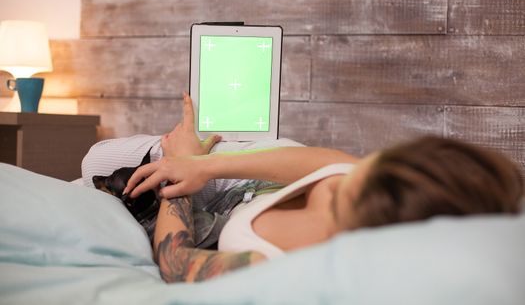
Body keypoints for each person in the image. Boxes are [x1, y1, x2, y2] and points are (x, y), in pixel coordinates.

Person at [116, 94, 523, 283]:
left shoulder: (288, 268)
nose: (346, 174)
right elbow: (325, 161)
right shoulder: (368, 180)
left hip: (203, 207)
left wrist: (177, 176)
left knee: (95, 159)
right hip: (248, 171)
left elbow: (175, 263)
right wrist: (203, 164)